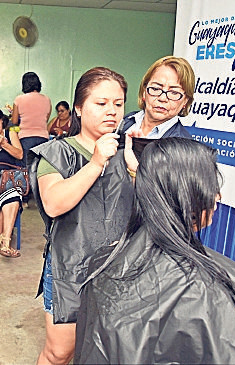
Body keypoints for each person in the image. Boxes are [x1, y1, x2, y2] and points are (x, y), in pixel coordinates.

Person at [75, 138, 235, 365]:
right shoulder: (200, 291)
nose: (217, 196)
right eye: (210, 186)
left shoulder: (106, 259)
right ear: (186, 195)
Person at [27, 66, 137, 365]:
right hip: (69, 268)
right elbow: (53, 203)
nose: (111, 111)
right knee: (60, 353)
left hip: (118, 268)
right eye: (101, 104)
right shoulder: (57, 152)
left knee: (106, 349)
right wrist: (96, 162)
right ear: (79, 107)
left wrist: (135, 171)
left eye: (118, 103)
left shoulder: (129, 152)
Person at [123, 55, 194, 138]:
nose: (162, 98)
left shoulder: (183, 145)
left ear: (185, 101)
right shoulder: (124, 121)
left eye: (174, 92)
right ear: (144, 91)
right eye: (156, 88)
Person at [11, 72, 51, 207]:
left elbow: (15, 121)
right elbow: (45, 119)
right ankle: (41, 199)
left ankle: (25, 199)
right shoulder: (47, 99)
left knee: (25, 168)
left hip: (25, 137)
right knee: (40, 168)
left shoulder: (19, 100)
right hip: (43, 138)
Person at [0, 110, 23, 258]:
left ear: (2, 122)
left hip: (9, 176)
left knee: (13, 196)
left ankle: (5, 243)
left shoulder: (10, 134)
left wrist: (3, 144)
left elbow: (20, 154)